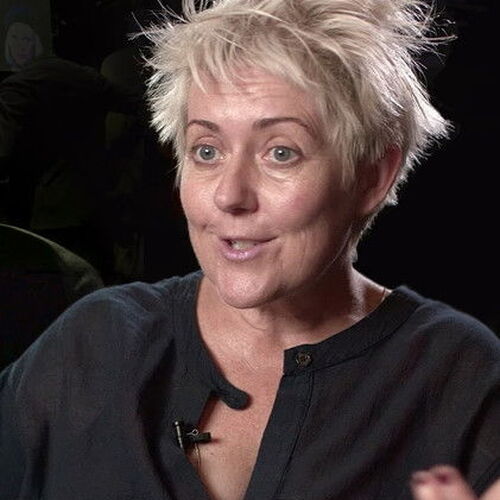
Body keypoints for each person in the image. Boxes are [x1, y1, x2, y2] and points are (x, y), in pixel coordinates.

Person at [0, 0, 498, 499]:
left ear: (372, 176)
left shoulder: (463, 376)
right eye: (206, 151)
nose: (229, 195)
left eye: (281, 152)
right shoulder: (94, 342)